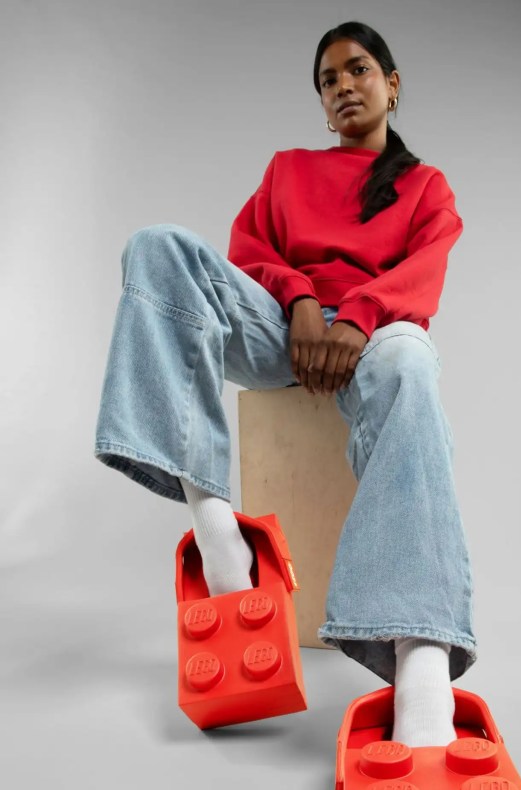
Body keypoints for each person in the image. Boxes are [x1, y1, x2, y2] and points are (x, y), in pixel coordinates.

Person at [93, 21, 478, 747]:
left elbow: (421, 276)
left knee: (411, 364)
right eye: (328, 81)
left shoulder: (425, 186)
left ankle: (419, 654)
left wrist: (353, 319)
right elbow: (248, 251)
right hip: (282, 327)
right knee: (156, 249)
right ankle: (215, 527)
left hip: (374, 334)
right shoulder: (288, 170)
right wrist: (301, 303)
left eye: (357, 70)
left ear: (392, 85)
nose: (343, 87)